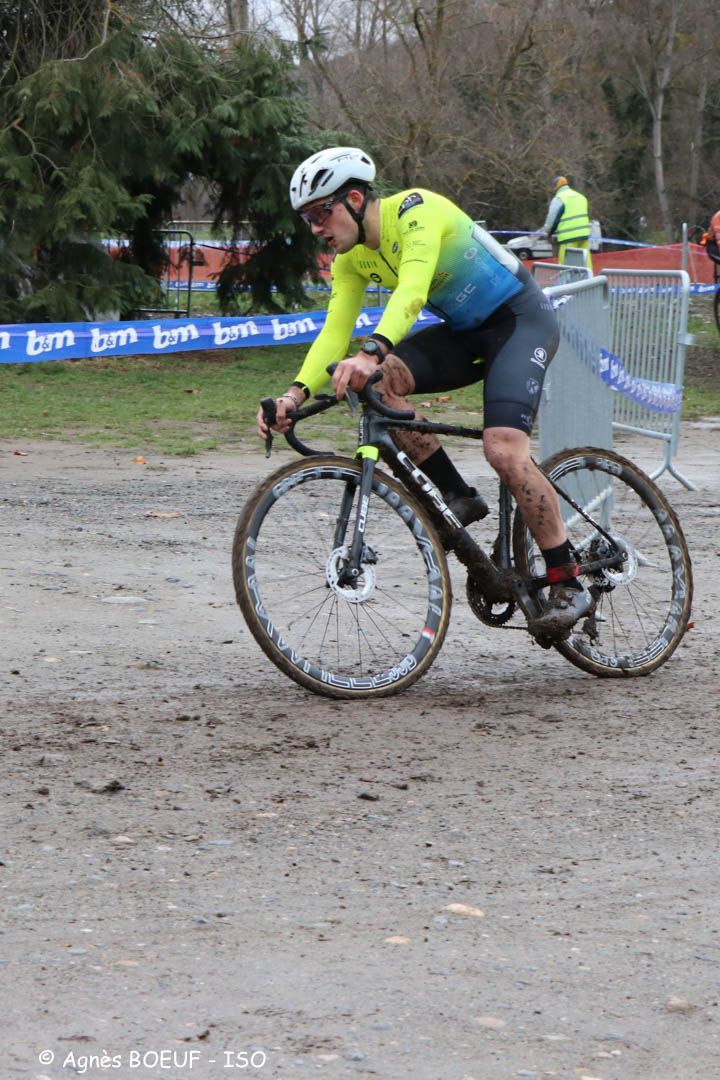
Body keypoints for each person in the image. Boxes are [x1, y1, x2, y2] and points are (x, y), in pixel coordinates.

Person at [257, 146, 591, 638]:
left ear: (354, 199)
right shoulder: (350, 259)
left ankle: (567, 578)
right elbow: (333, 331)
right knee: (379, 383)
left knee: (503, 449)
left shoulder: (416, 211)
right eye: (307, 219)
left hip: (520, 321)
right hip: (465, 332)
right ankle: (457, 495)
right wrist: (294, 395)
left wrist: (370, 351)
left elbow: (412, 292)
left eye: (320, 214)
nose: (315, 228)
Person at [540, 176, 592, 269]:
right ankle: (589, 277)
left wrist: (547, 232)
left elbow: (552, 219)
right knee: (585, 262)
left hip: (568, 237)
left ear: (556, 187)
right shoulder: (581, 197)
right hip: (584, 235)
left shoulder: (559, 198)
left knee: (566, 265)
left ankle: (566, 278)